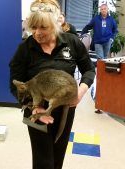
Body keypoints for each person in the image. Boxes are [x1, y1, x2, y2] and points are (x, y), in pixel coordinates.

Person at [9, 0, 95, 169]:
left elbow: (89, 70)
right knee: (43, 161)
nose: (37, 33)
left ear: (55, 24)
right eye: (33, 28)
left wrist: (80, 94)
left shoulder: (71, 42)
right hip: (36, 110)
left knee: (58, 155)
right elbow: (15, 85)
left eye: (43, 28)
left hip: (65, 109)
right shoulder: (25, 49)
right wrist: (33, 108)